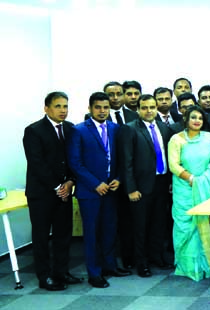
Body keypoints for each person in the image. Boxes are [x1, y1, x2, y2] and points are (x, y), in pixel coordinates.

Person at [68, 92, 130, 288]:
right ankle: (94, 273)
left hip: (111, 190)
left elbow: (121, 158)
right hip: (90, 192)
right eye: (98, 107)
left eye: (105, 107)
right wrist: (95, 183)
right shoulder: (79, 130)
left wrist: (118, 179)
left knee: (110, 230)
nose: (102, 111)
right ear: (90, 108)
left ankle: (109, 266)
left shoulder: (115, 128)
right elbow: (75, 163)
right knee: (92, 233)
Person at [23, 91, 81, 291]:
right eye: (58, 106)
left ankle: (61, 271)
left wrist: (71, 182)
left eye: (65, 106)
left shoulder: (71, 129)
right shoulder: (34, 131)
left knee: (63, 234)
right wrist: (58, 187)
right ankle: (45, 276)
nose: (63, 110)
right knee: (41, 236)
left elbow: (74, 159)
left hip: (65, 191)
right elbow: (37, 164)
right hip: (42, 194)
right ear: (46, 108)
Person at [167, 105, 210, 281]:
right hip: (184, 189)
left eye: (200, 118)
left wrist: (203, 180)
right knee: (185, 225)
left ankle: (206, 264)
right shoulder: (176, 140)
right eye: (193, 117)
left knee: (204, 223)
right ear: (185, 119)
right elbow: (174, 165)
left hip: (205, 188)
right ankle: (187, 266)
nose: (197, 121)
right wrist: (192, 179)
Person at [120, 95, 173, 278]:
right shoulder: (130, 129)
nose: (149, 111)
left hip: (161, 182)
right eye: (144, 107)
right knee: (140, 227)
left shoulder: (164, 128)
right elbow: (126, 161)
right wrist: (131, 188)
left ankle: (156, 257)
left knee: (158, 224)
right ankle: (141, 263)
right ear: (138, 109)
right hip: (140, 187)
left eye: (152, 107)